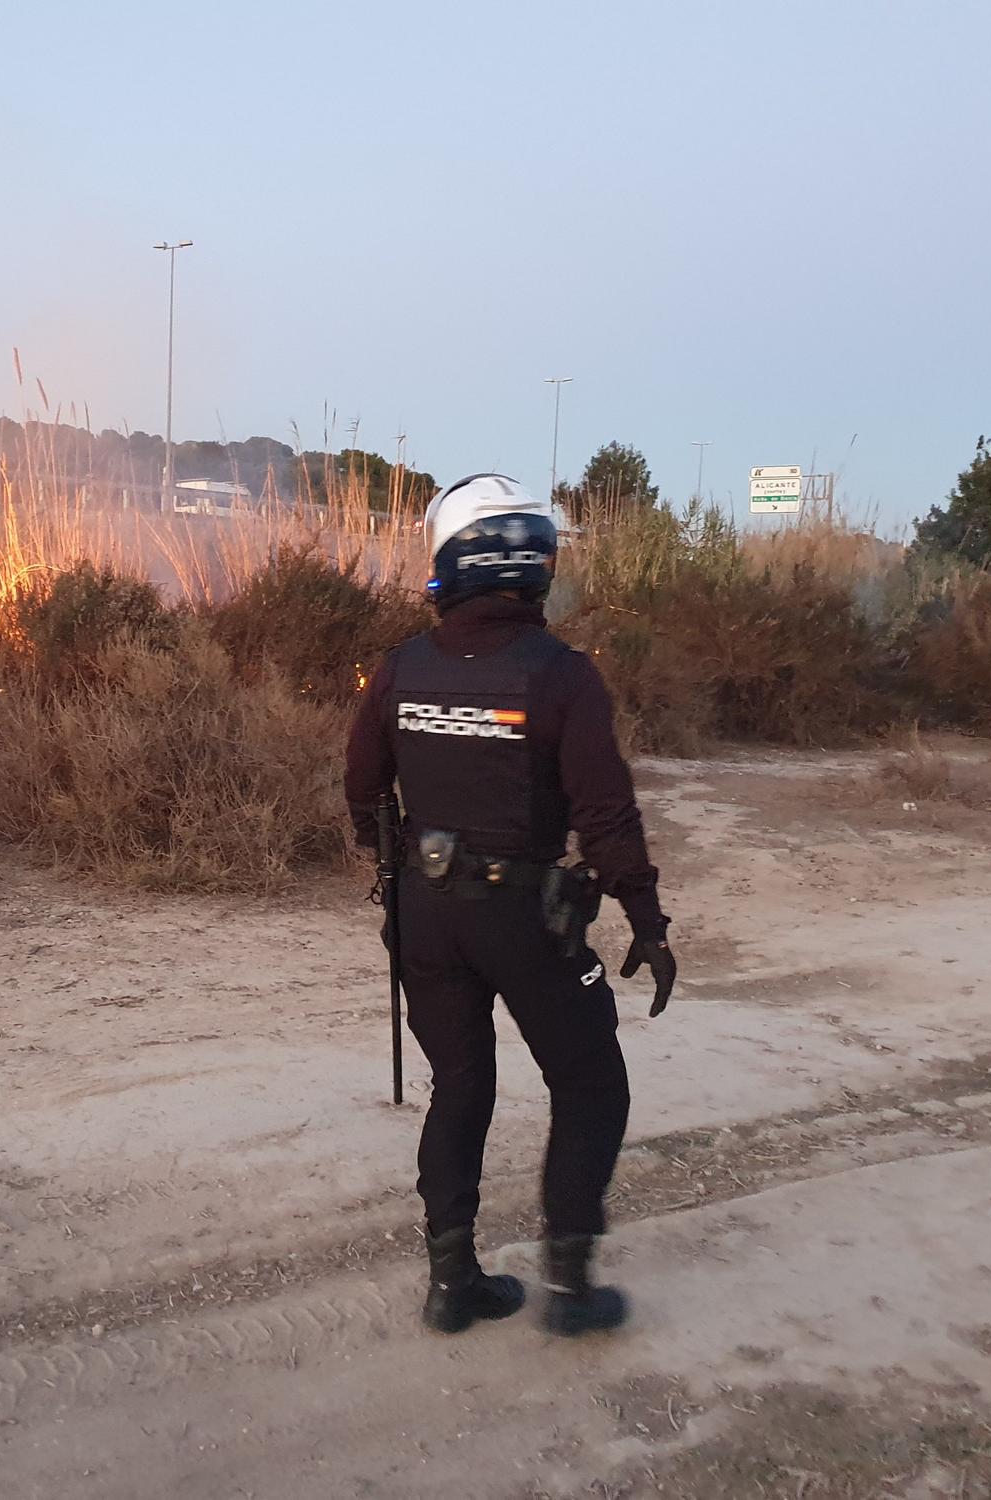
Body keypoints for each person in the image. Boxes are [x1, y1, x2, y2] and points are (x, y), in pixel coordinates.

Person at [344, 473, 676, 1337]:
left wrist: (394, 877)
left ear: (449, 562)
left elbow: (362, 791)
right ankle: (570, 1285)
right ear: (538, 564)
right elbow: (604, 813)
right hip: (525, 914)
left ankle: (453, 1281)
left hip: (425, 909)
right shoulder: (562, 676)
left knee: (460, 1085)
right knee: (591, 1083)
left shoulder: (399, 670)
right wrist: (645, 917)